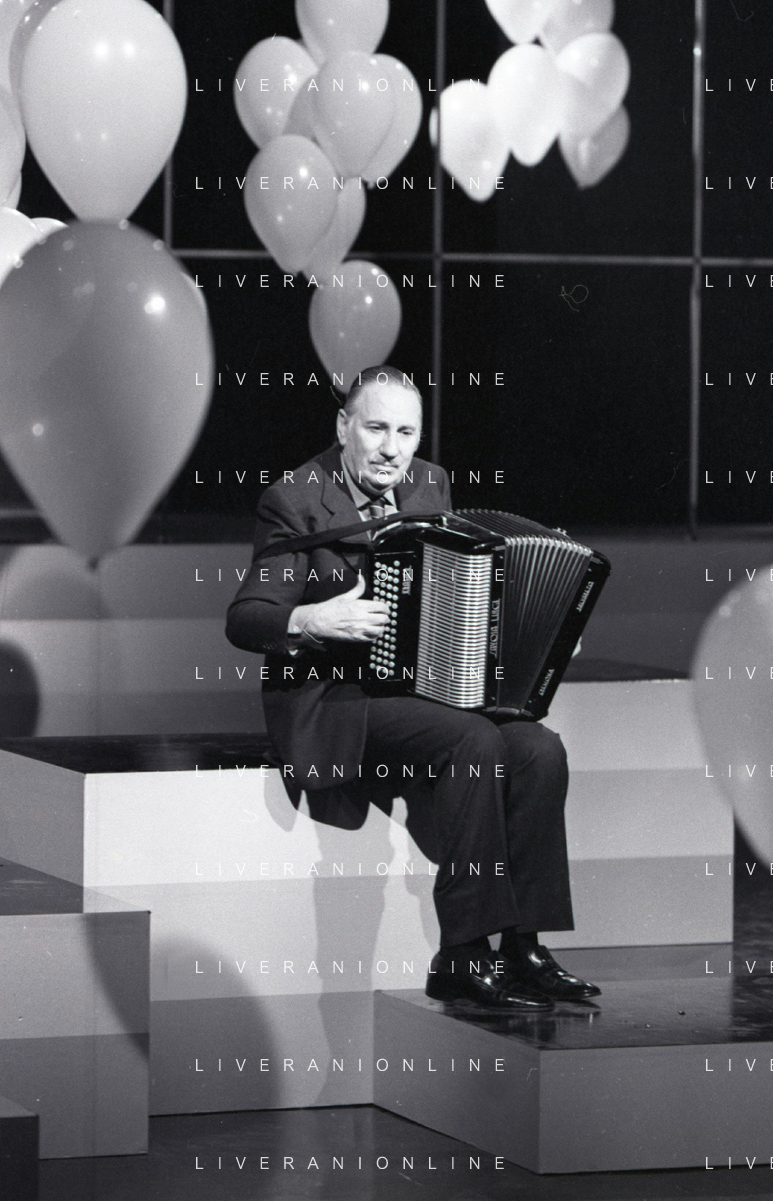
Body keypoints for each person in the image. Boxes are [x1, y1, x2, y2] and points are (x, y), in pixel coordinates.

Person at [226, 365, 600, 1011]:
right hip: (337, 698)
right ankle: (463, 952)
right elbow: (246, 617)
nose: (390, 448)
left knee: (539, 748)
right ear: (343, 425)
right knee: (472, 740)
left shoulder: (430, 483)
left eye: (405, 432)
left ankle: (522, 945)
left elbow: (459, 583)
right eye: (375, 428)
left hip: (422, 688)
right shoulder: (295, 497)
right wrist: (313, 618)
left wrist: (541, 632)